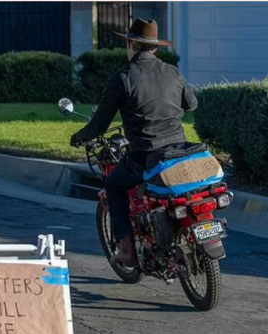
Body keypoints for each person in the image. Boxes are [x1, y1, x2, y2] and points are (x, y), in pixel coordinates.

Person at [70, 18, 198, 267]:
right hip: (178, 152)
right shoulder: (173, 71)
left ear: (130, 44)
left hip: (144, 155)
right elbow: (192, 104)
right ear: (155, 48)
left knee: (115, 185)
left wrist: (79, 137)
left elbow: (99, 125)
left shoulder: (122, 78)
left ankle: (127, 249)